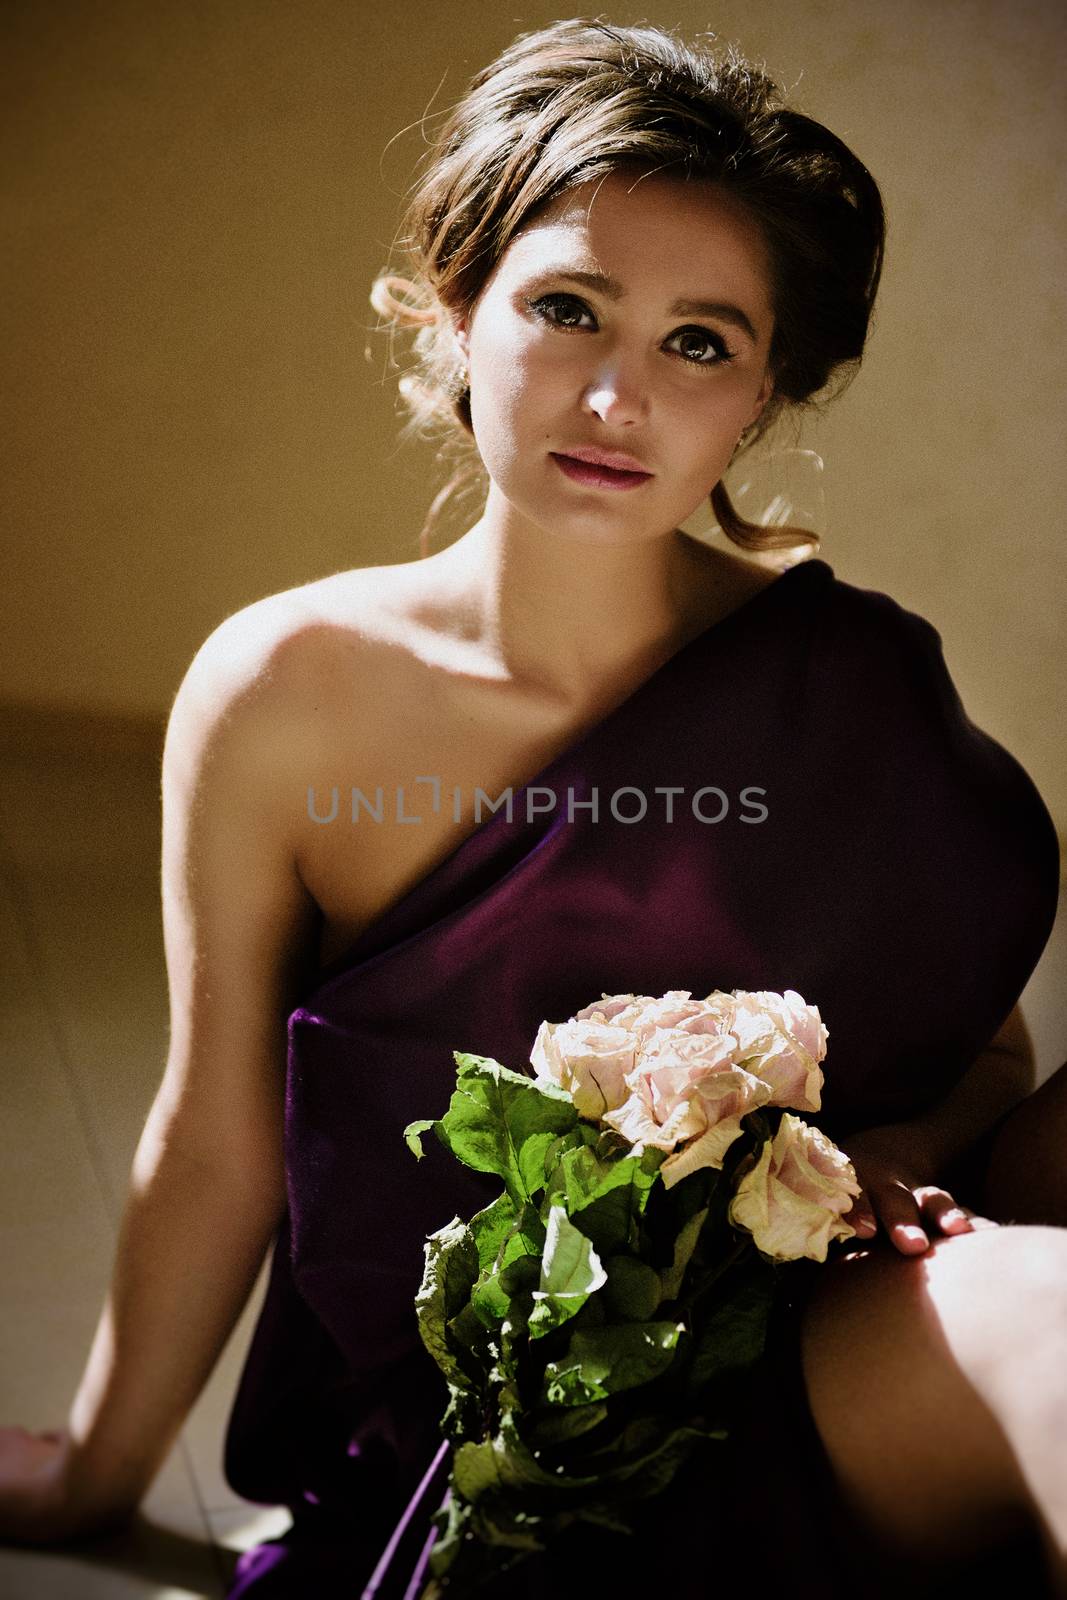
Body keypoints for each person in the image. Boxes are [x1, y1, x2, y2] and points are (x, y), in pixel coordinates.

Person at [1, 16, 1064, 1598]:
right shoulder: (288, 692)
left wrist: (890, 1158)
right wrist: (96, 1465)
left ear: (761, 394)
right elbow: (217, 1131)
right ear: (456, 313)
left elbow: (986, 1052)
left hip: (849, 1307)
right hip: (550, 1416)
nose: (623, 394)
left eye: (702, 343)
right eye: (570, 309)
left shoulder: (848, 676)